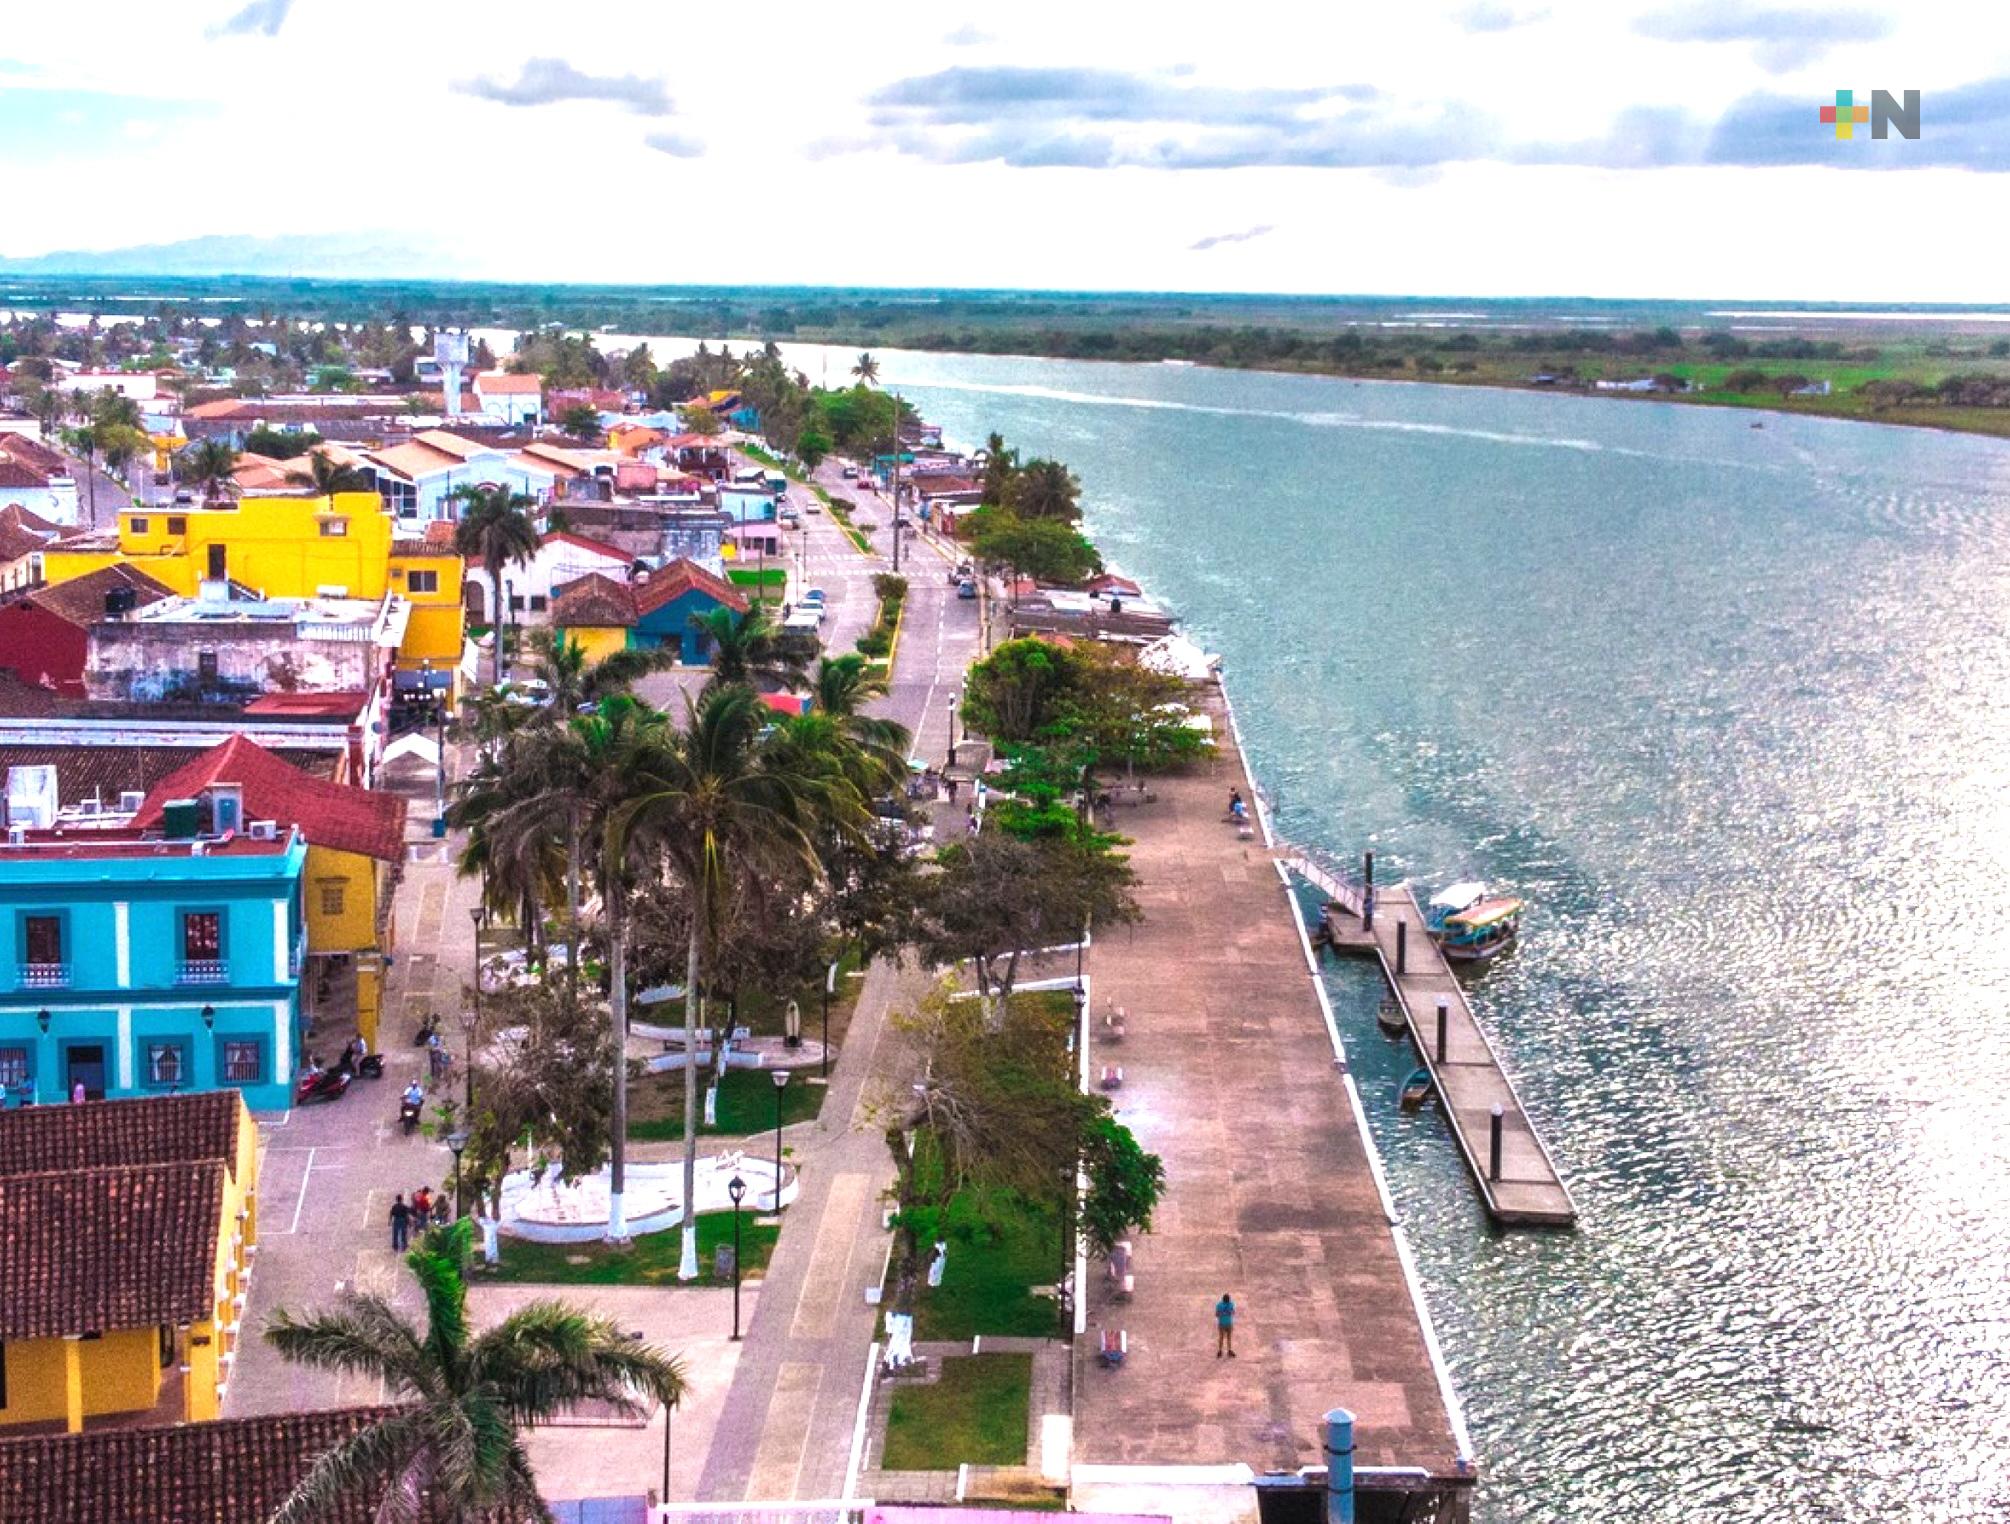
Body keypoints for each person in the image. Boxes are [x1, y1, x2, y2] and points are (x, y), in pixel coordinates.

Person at [1215, 1292, 1237, 1358]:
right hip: (1223, 1324)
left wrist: (1230, 1312)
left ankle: (1228, 1350)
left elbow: (1233, 1312)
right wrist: (1222, 1313)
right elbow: (1216, 1314)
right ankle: (1221, 1350)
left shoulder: (1231, 1304)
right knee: (1222, 1337)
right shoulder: (1219, 1305)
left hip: (1227, 1324)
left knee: (1228, 1338)